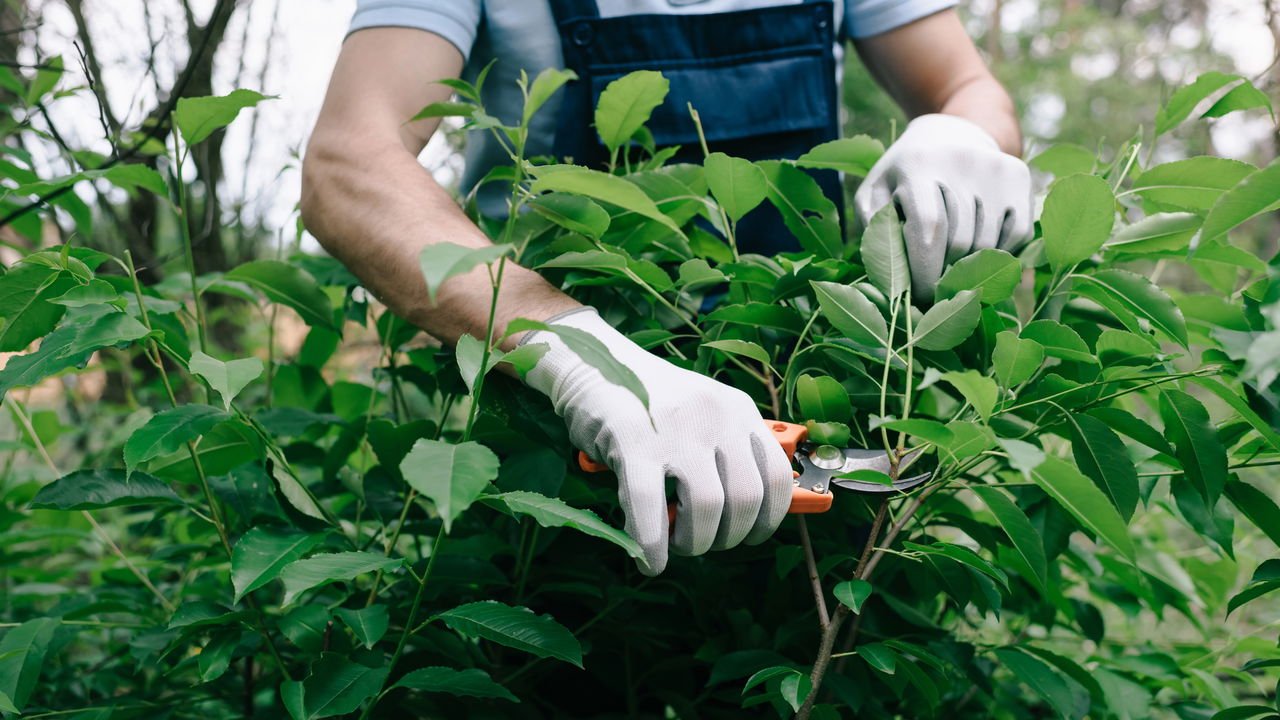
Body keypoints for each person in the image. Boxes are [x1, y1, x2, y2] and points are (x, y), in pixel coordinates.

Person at [301, 0, 1033, 576]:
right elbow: (350, 162)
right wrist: (579, 358)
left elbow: (968, 87)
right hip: (544, 446)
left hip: (806, 403)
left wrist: (963, 132)